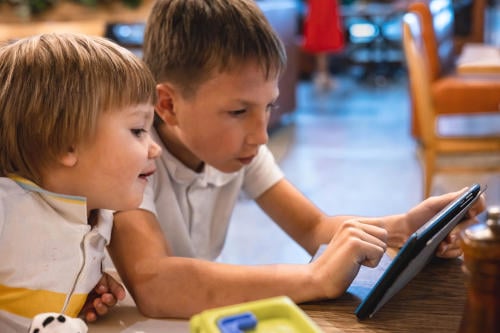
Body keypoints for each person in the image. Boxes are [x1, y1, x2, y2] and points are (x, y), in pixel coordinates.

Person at [108, 0, 485, 319]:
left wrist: (400, 229)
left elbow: (313, 227)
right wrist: (313, 279)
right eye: (238, 112)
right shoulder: (132, 155)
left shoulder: (239, 149)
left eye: (268, 107)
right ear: (168, 105)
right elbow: (153, 283)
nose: (261, 135)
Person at [0, 32, 161, 331]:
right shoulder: (7, 209)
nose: (155, 148)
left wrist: (78, 290)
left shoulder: (98, 215)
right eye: (138, 130)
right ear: (66, 145)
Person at [302, 0, 345, 90]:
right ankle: (322, 74)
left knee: (325, 41)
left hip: (328, 9)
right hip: (318, 9)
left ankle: (324, 73)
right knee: (320, 40)